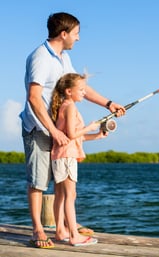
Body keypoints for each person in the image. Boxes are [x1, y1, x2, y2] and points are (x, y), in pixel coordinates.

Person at [19, 12, 125, 248]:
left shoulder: (63, 59)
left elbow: (80, 89)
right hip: (38, 128)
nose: (78, 39)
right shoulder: (40, 58)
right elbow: (34, 98)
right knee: (37, 181)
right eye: (76, 33)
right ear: (64, 33)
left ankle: (62, 228)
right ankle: (37, 230)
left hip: (59, 130)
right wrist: (54, 132)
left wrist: (109, 103)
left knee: (59, 182)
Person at [51, 73, 105, 246]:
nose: (84, 93)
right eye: (81, 90)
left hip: (61, 154)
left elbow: (72, 136)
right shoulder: (70, 107)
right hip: (67, 156)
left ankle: (60, 232)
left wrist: (95, 135)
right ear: (69, 91)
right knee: (69, 196)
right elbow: (72, 134)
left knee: (60, 195)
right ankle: (74, 235)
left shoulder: (65, 105)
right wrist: (89, 127)